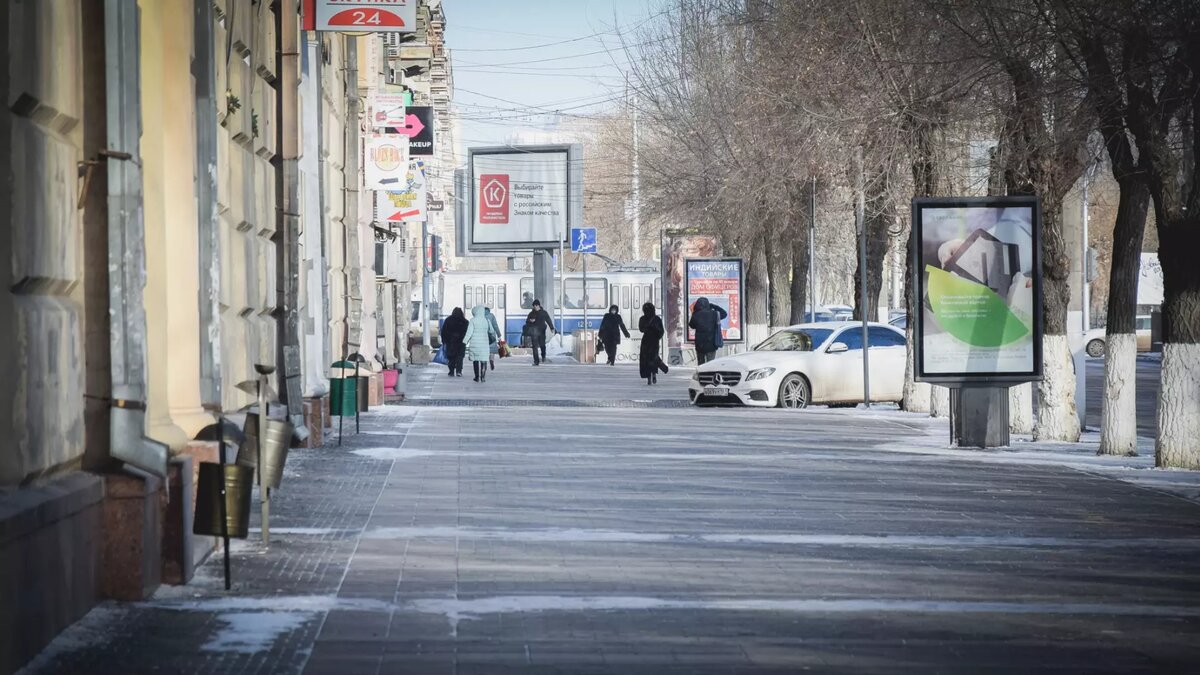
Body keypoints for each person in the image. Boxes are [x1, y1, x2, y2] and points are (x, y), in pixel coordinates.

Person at [688, 297, 728, 365]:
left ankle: (701, 375)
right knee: (710, 364)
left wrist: (694, 312)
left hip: (699, 344)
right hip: (711, 343)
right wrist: (713, 306)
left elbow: (692, 325)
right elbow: (724, 314)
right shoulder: (714, 314)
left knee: (701, 364)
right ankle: (709, 375)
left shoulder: (696, 314)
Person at [638, 302, 669, 385]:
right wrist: (656, 334)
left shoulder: (642, 319)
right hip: (654, 340)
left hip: (646, 340)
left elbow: (641, 329)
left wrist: (647, 328)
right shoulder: (657, 319)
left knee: (646, 359)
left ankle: (649, 377)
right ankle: (655, 373)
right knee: (653, 357)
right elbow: (661, 331)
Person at [463, 305, 497, 382]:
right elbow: (491, 331)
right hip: (484, 344)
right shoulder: (486, 320)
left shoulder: (472, 320)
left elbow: (469, 333)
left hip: (475, 344)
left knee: (475, 360)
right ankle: (483, 377)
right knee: (484, 360)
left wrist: (465, 341)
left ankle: (477, 377)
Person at [525, 299, 556, 366]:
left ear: (539, 305)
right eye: (534, 306)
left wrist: (552, 328)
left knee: (542, 345)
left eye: (536, 305)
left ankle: (543, 356)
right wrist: (530, 321)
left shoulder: (543, 313)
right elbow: (527, 322)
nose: (535, 307)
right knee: (534, 347)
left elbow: (548, 320)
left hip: (542, 332)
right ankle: (536, 361)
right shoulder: (531, 313)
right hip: (534, 332)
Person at [439, 308, 469, 377]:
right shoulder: (465, 322)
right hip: (461, 343)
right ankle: (459, 371)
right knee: (460, 357)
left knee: (451, 357)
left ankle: (451, 371)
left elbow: (444, 331)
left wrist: (444, 341)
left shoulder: (448, 320)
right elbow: (467, 332)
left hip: (451, 342)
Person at [484, 307, 502, 371]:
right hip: (492, 336)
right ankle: (491, 360)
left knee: (484, 350)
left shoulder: (480, 316)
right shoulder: (491, 316)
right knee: (492, 350)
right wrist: (499, 334)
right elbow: (495, 325)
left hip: (483, 335)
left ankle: (484, 363)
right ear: (489, 310)